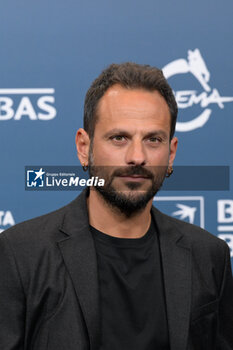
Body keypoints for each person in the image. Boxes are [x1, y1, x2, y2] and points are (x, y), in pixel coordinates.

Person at [0, 63, 232, 350]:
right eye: (119, 138)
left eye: (153, 139)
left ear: (171, 153)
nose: (137, 156)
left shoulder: (210, 256)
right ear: (84, 148)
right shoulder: (20, 253)